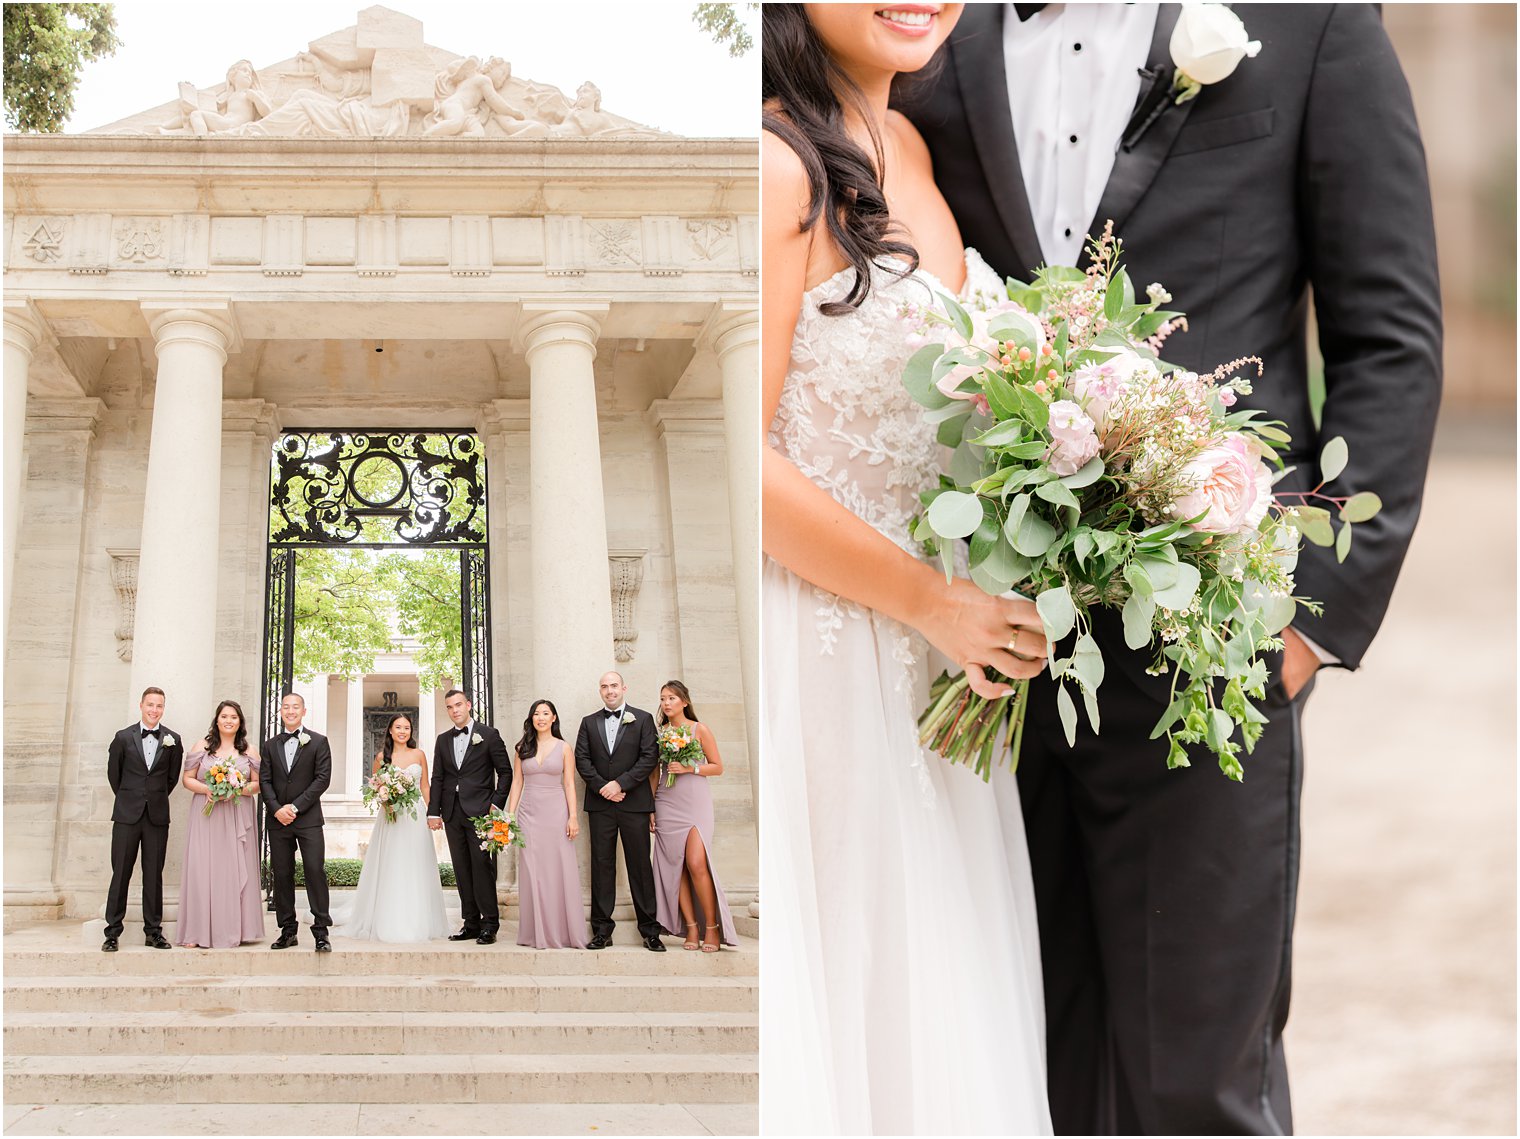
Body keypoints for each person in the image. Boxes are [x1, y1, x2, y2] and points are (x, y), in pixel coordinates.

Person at [897, 5, 1441, 1132]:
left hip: (1213, 642)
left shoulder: (1309, 23)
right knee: (1005, 1066)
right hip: (977, 647)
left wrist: (1305, 620)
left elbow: (1386, 336)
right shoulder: (924, 39)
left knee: (1198, 1083)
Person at [760, 4, 1052, 1133]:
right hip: (831, 656)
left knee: (927, 1018)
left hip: (935, 673)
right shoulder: (775, 164)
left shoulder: (915, 148)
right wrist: (931, 600)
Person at [331, 713, 447, 943]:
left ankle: (419, 917)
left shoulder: (419, 754)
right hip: (391, 817)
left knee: (416, 863)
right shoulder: (382, 757)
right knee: (392, 863)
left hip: (414, 816)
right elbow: (377, 787)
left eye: (407, 727)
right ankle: (388, 917)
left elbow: (425, 785)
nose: (403, 731)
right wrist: (389, 803)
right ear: (391, 731)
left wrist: (434, 812)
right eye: (398, 727)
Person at [572, 672, 663, 952]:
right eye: (604, 686)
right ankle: (601, 931)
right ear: (599, 691)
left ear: (623, 688)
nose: (609, 691)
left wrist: (620, 784)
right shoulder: (589, 723)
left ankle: (650, 931)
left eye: (614, 686)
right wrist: (604, 787)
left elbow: (650, 757)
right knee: (601, 866)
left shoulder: (644, 719)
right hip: (601, 805)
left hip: (634, 804)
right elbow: (582, 759)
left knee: (640, 867)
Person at [649, 681, 737, 952]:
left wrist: (690, 769)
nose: (667, 703)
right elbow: (655, 773)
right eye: (663, 698)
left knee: (696, 862)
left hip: (695, 802)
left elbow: (718, 767)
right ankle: (690, 927)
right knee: (676, 866)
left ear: (685, 701)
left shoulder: (700, 729)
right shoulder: (660, 733)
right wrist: (651, 807)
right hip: (667, 801)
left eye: (672, 698)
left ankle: (711, 926)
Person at [175, 700, 264, 948]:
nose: (228, 721)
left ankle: (240, 929)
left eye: (233, 717)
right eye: (224, 716)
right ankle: (196, 932)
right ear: (217, 720)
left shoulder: (250, 751)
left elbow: (257, 785)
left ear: (240, 722)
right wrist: (208, 789)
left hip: (238, 814)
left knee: (234, 869)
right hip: (206, 813)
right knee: (202, 869)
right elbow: (187, 779)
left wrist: (236, 788)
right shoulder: (201, 747)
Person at [426, 688, 512, 944]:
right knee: (461, 869)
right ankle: (470, 923)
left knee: (482, 867)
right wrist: (434, 811)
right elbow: (438, 777)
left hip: (482, 814)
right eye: (450, 707)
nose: (455, 711)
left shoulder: (489, 735)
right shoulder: (442, 740)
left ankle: (490, 924)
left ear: (469, 705)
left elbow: (505, 772)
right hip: (452, 813)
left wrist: (495, 805)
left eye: (459, 705)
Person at [103, 686, 182, 952]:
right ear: (141, 705)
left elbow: (171, 779)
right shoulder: (123, 737)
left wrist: (152, 798)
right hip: (127, 815)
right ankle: (112, 932)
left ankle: (153, 931)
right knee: (121, 873)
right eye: (150, 704)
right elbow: (115, 775)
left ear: (163, 708)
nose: (154, 710)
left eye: (159, 706)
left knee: (153, 874)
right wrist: (131, 798)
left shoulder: (173, 739)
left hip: (157, 817)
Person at [507, 699, 588, 950]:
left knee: (558, 870)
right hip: (528, 815)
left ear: (554, 718)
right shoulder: (522, 748)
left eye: (545, 713)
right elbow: (517, 783)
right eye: (536, 714)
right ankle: (534, 932)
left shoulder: (564, 747)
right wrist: (509, 817)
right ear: (531, 719)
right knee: (533, 873)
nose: (540, 717)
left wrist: (572, 816)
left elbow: (569, 784)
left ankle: (562, 932)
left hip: (556, 814)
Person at [259, 692, 333, 952]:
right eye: (286, 707)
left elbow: (322, 779)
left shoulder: (319, 742)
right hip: (278, 821)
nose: (290, 711)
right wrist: (278, 809)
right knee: (281, 874)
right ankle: (287, 930)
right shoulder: (269, 746)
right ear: (280, 712)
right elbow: (264, 781)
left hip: (309, 819)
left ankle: (321, 932)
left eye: (295, 707)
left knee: (314, 870)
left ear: (304, 711)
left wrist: (296, 806)